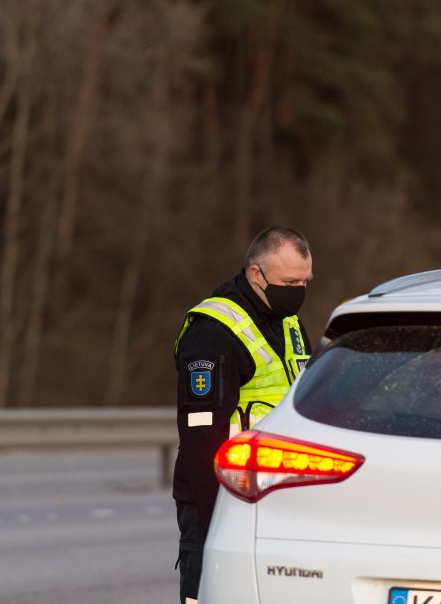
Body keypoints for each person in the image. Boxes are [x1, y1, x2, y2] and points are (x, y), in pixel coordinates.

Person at [172, 226, 314, 603]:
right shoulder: (214, 332)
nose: (298, 291)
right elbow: (201, 435)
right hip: (223, 497)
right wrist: (214, 515)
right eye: (289, 281)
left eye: (304, 281)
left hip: (282, 497)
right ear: (256, 274)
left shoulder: (290, 325)